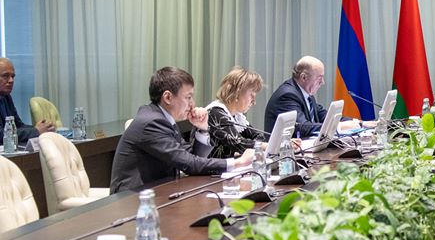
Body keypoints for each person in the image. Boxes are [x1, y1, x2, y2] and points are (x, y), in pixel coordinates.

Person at [110, 67, 254, 193]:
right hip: (133, 200)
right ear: (168, 97)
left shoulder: (164, 119)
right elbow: (189, 164)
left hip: (160, 192)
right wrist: (238, 162)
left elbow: (191, 157)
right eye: (188, 97)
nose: (193, 104)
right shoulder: (152, 122)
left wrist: (203, 130)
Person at [207, 67, 267, 159]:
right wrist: (266, 146)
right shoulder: (215, 113)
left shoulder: (236, 115)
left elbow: (258, 136)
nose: (254, 102)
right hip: (210, 168)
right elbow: (238, 143)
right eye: (251, 95)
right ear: (237, 92)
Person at [264, 56, 328, 137]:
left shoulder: (306, 93)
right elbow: (302, 127)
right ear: (304, 77)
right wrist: (334, 127)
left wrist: (342, 122)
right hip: (287, 145)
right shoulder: (287, 95)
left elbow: (322, 115)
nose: (322, 82)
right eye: (319, 78)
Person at [0, 57, 55, 145]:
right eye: (5, 76)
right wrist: (36, 131)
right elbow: (1, 135)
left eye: (13, 76)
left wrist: (43, 128)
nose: (11, 80)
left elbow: (18, 126)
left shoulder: (6, 97)